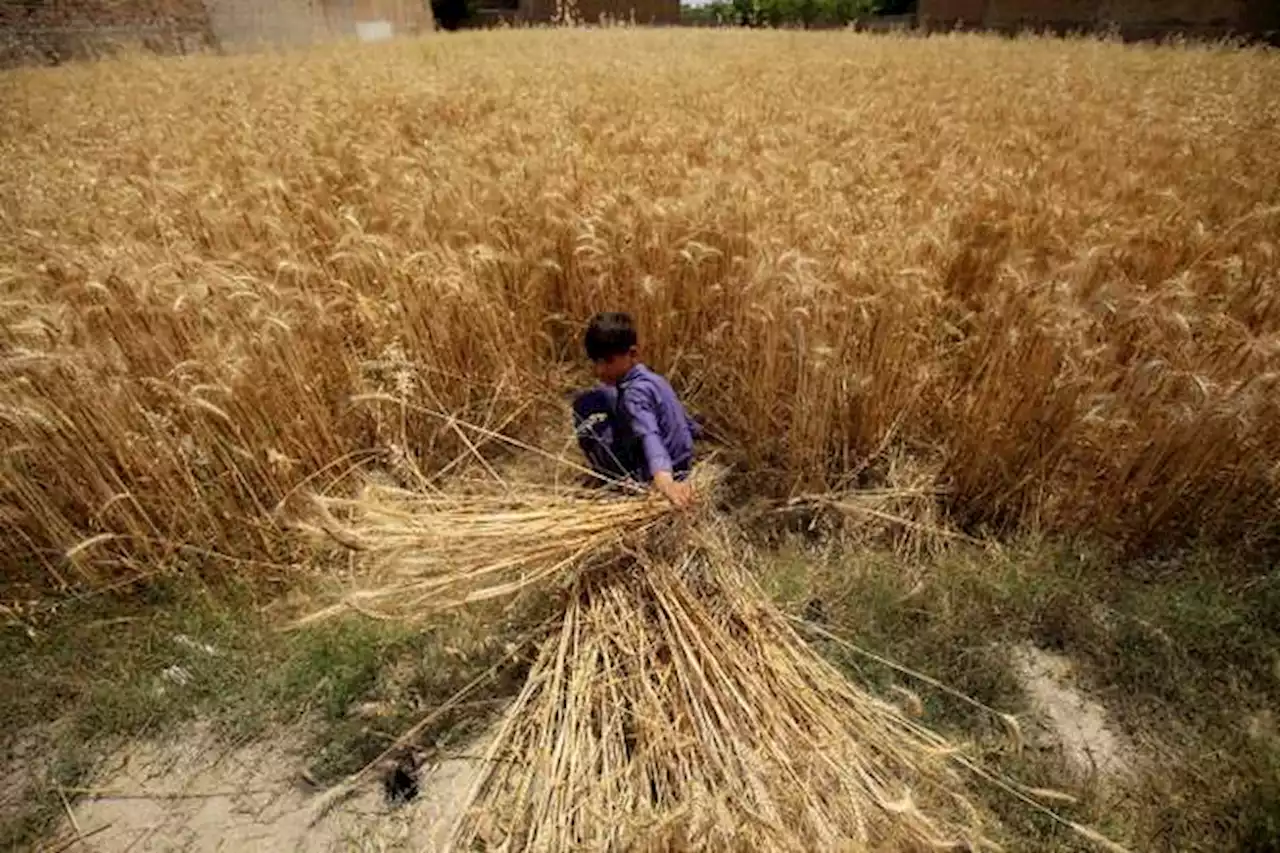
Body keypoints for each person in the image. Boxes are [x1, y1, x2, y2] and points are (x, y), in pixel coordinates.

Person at [573, 312, 700, 509]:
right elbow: (684, 421)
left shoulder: (634, 396)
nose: (599, 370)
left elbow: (649, 435)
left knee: (584, 405)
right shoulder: (655, 380)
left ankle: (615, 479)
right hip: (682, 460)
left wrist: (664, 481)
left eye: (607, 362)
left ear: (633, 354)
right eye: (596, 362)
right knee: (604, 394)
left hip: (654, 471)